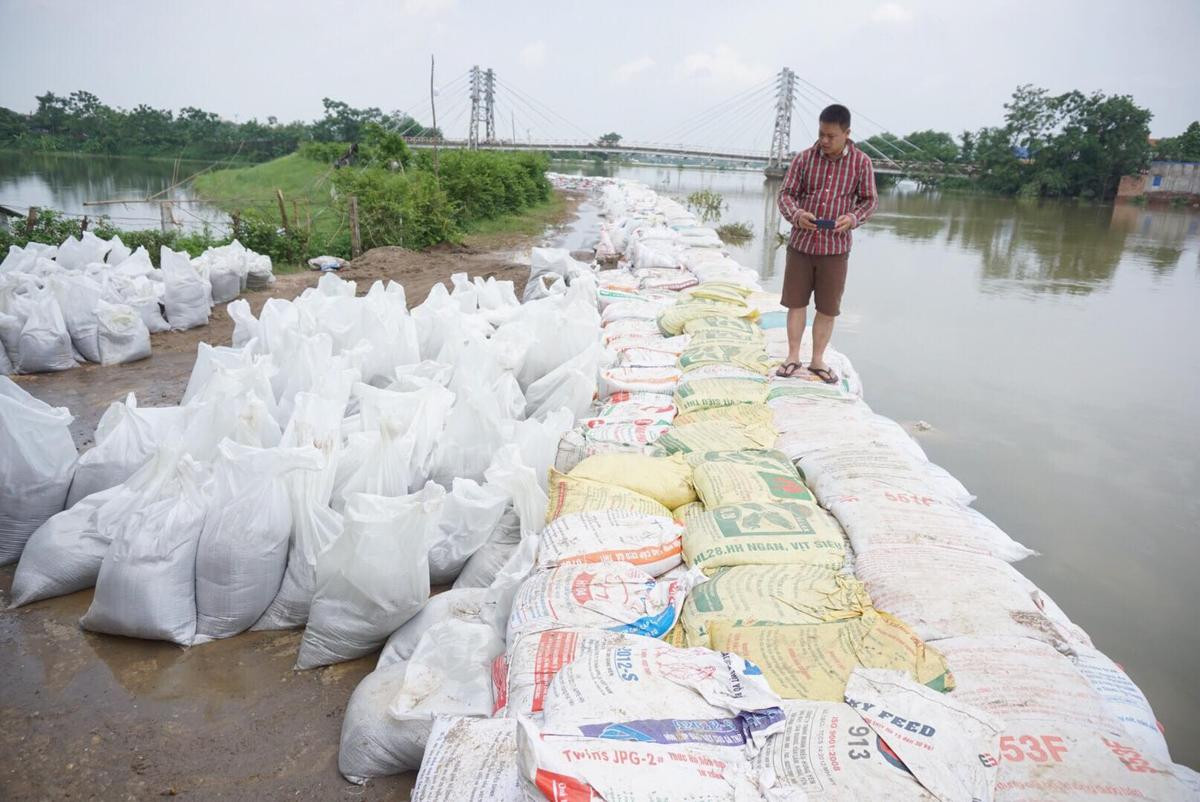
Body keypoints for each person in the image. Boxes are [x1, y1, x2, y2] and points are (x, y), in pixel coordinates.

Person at [775, 103, 878, 383]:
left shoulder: (861, 163)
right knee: (796, 303)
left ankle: (817, 360)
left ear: (847, 133)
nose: (824, 141)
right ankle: (792, 357)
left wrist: (852, 218)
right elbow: (785, 195)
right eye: (821, 134)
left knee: (827, 308)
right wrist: (797, 215)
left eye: (831, 136)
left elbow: (869, 201)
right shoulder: (804, 159)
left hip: (835, 250)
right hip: (802, 246)